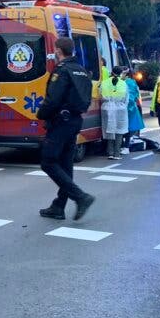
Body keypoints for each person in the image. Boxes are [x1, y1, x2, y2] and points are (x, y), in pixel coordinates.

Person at [38, 37, 95, 221]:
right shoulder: (82, 71)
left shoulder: (61, 71)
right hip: (75, 121)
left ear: (58, 51)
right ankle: (58, 207)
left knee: (48, 161)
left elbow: (53, 99)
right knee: (65, 163)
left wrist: (41, 114)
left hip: (61, 122)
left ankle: (81, 197)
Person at [100, 65, 128, 160]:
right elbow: (126, 98)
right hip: (120, 108)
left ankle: (110, 153)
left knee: (109, 130)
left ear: (111, 72)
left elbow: (100, 95)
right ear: (121, 73)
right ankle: (117, 154)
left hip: (107, 108)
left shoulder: (104, 83)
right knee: (119, 131)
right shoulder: (123, 83)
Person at [124, 68, 145, 152]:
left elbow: (131, 96)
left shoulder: (127, 82)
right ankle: (126, 145)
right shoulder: (131, 83)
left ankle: (125, 146)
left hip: (128, 107)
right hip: (130, 107)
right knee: (129, 128)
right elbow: (134, 95)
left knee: (127, 128)